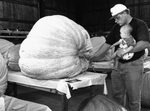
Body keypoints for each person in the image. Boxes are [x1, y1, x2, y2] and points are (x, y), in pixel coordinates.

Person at [90, 4, 150, 111]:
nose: (115, 21)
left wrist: (124, 51)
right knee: (117, 97)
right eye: (114, 18)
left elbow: (144, 43)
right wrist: (92, 57)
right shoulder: (116, 28)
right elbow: (107, 45)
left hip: (134, 66)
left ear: (125, 13)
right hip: (117, 66)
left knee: (134, 99)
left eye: (117, 17)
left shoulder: (139, 24)